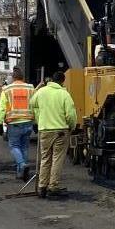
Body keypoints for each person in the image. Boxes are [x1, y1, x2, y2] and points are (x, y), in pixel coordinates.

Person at [32, 68, 78, 198]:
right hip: (60, 131)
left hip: (44, 130)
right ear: (62, 82)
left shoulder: (41, 92)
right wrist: (72, 126)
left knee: (45, 158)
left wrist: (39, 117)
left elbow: (31, 103)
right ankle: (53, 186)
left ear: (52, 80)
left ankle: (42, 187)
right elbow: (70, 115)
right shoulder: (64, 94)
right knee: (57, 159)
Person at [0, 68, 38, 183]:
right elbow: (35, 106)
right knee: (24, 147)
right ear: (23, 78)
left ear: (13, 78)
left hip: (14, 123)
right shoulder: (30, 88)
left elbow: (2, 108)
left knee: (14, 146)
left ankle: (22, 164)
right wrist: (37, 122)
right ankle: (20, 173)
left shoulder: (7, 89)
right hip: (28, 122)